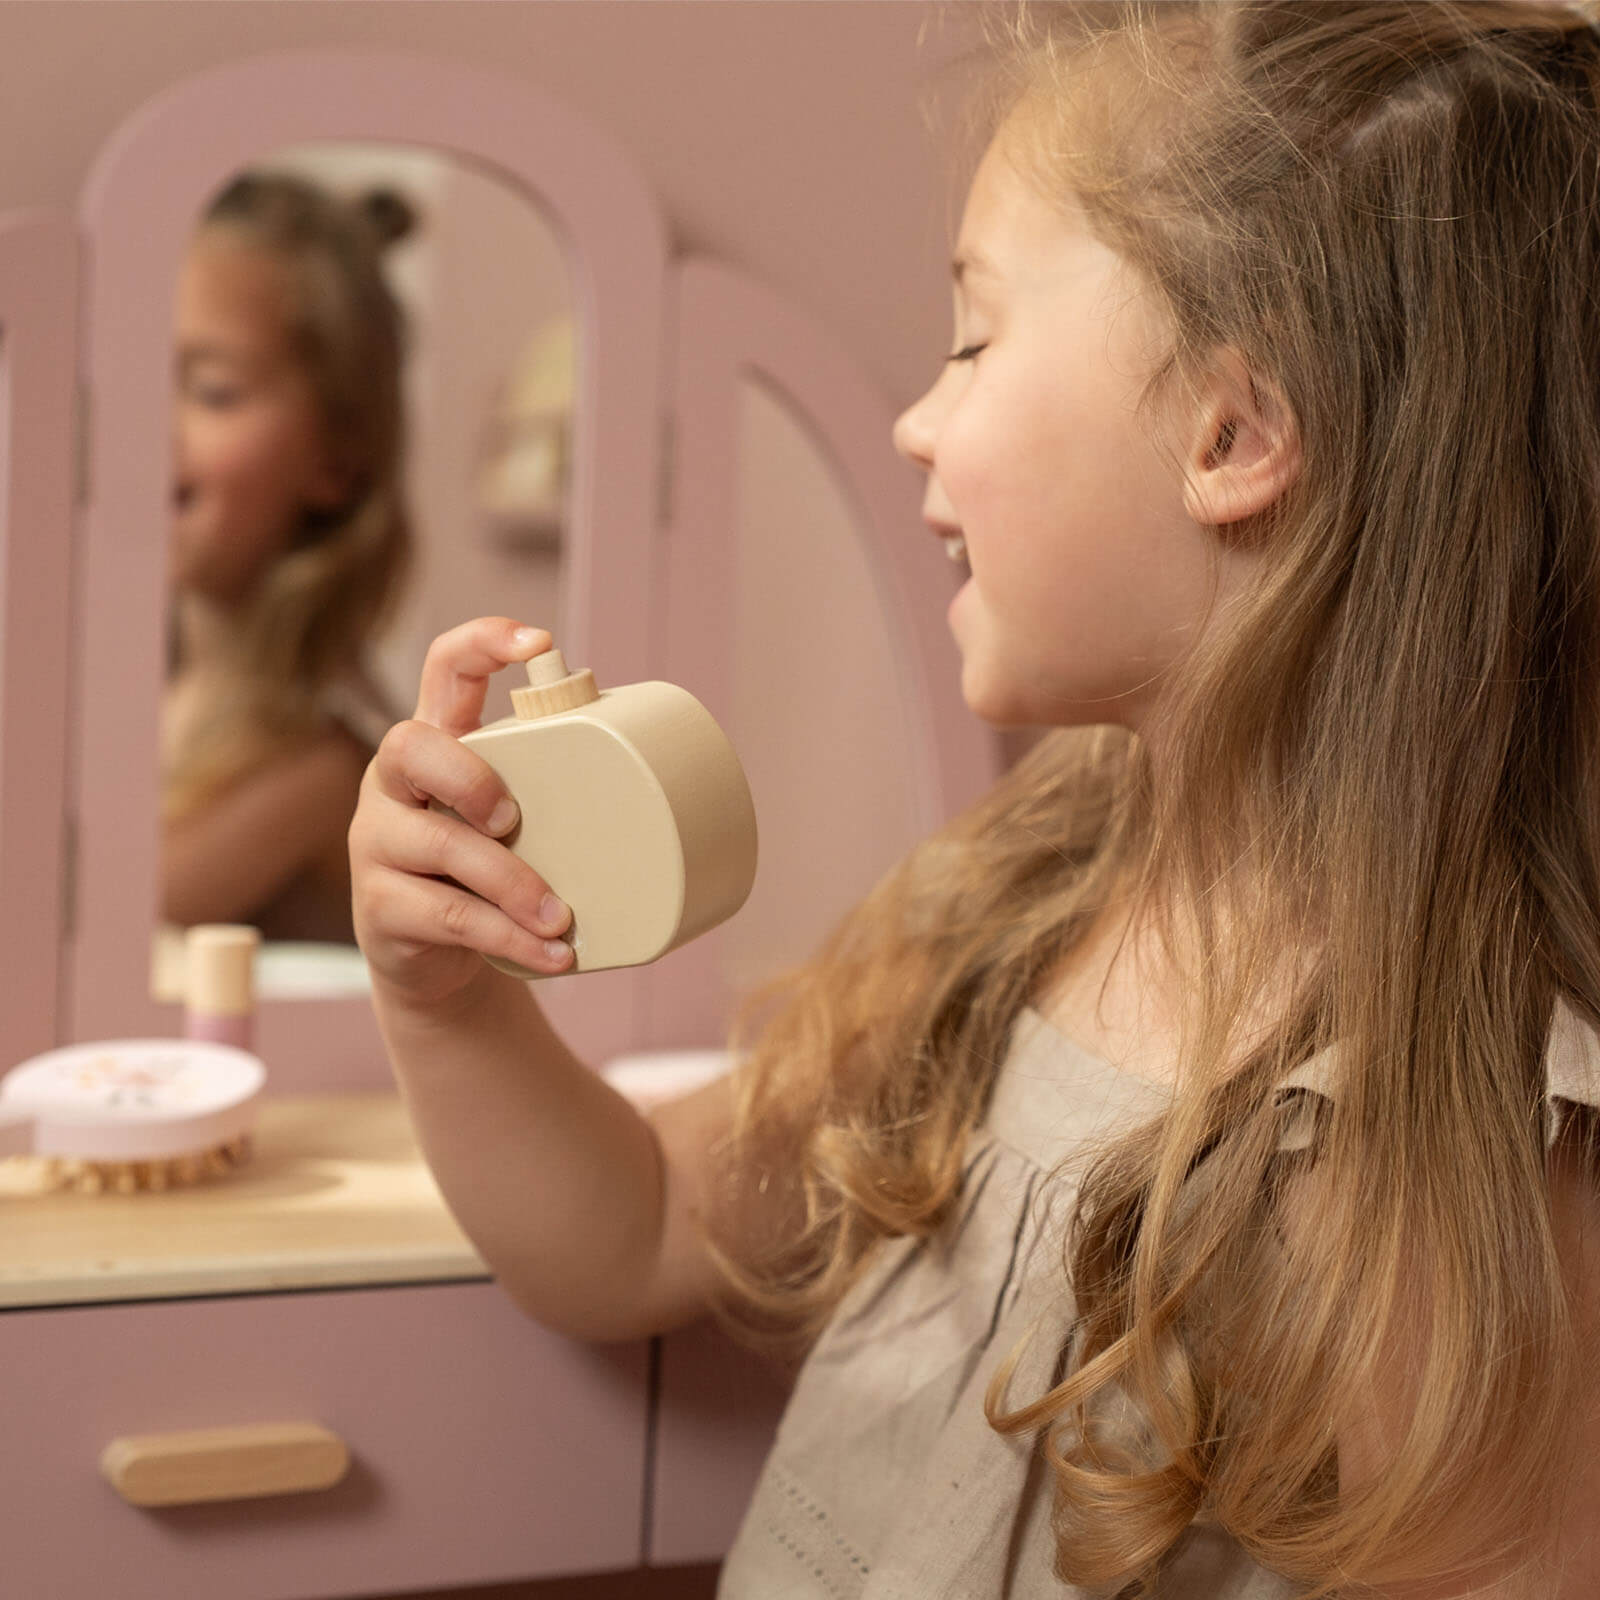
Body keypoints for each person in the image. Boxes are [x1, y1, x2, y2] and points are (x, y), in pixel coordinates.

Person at [347, 4, 1600, 1594]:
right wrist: (443, 999)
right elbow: (635, 1231)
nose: (918, 417)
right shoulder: (1032, 892)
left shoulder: (1431, 1141)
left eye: (975, 339)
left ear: (1236, 433)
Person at [164, 170, 414, 944]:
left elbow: (86, 917)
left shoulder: (326, 766)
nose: (144, 422)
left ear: (337, 458)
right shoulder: (134, 700)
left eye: (210, 391)